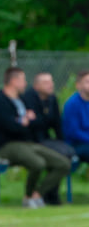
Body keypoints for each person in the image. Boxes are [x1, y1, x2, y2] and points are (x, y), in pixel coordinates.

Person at [0, 67, 71, 208]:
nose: (25, 83)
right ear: (14, 81)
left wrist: (25, 121)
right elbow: (10, 126)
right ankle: (28, 197)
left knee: (63, 164)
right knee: (38, 163)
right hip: (8, 145)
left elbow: (35, 122)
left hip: (28, 143)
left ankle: (37, 195)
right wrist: (24, 122)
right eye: (23, 80)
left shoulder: (22, 100)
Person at [22, 72, 73, 204]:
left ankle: (51, 193)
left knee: (65, 152)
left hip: (46, 139)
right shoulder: (27, 98)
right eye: (46, 82)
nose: (51, 85)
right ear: (36, 86)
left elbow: (56, 123)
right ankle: (43, 194)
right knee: (57, 155)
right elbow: (30, 124)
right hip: (31, 140)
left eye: (51, 82)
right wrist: (38, 120)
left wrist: (62, 143)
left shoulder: (52, 99)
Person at [62, 70, 89, 164]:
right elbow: (73, 132)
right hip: (75, 145)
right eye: (87, 81)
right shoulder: (72, 104)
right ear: (78, 85)